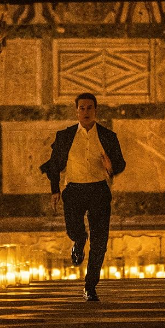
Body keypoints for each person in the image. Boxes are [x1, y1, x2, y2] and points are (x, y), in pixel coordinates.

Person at [39, 93, 125, 302]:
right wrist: (54, 190)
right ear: (76, 111)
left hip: (98, 190)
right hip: (74, 190)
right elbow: (54, 165)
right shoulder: (65, 136)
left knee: (100, 241)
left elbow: (121, 163)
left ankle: (90, 286)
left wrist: (110, 166)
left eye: (89, 108)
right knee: (75, 229)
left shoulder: (107, 136)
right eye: (82, 108)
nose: (85, 112)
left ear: (95, 110)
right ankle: (78, 240)